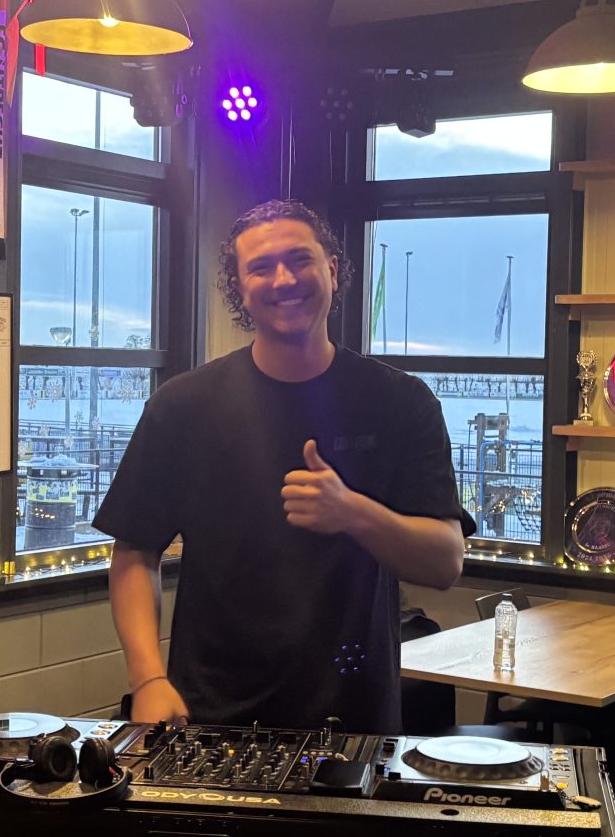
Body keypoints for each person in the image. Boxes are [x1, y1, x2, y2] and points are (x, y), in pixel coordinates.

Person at [94, 199, 475, 732]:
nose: (283, 279)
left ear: (332, 270)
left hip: (354, 719)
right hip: (210, 716)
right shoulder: (182, 407)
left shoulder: (401, 403)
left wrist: (353, 512)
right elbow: (136, 552)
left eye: (299, 260)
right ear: (239, 287)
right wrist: (148, 680)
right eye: (261, 267)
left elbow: (444, 563)